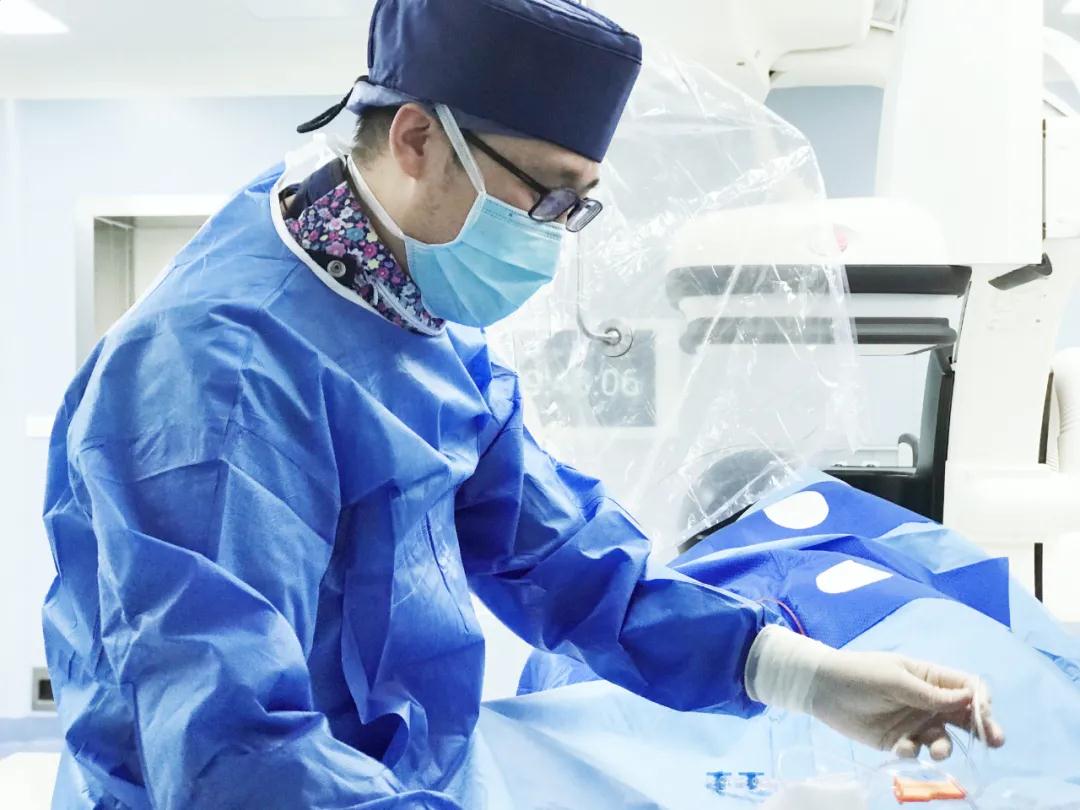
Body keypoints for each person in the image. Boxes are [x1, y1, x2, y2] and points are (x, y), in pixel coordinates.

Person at [41, 0, 1003, 807]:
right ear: (418, 139)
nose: (553, 234)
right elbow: (229, 750)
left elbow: (562, 559)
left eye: (577, 207)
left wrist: (803, 675)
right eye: (547, 197)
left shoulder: (410, 314)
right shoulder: (218, 376)